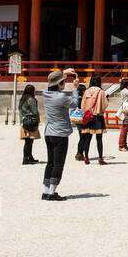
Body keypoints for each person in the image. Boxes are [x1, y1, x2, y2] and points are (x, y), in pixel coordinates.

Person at [40, 69, 78, 200]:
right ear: (59, 84)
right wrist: (75, 89)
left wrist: (63, 73)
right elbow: (74, 103)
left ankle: (45, 190)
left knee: (50, 162)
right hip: (60, 133)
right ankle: (52, 191)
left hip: (48, 131)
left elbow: (49, 85)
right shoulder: (61, 97)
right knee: (58, 163)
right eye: (63, 82)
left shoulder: (45, 93)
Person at [76, 74, 110, 164]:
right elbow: (105, 104)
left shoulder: (86, 91)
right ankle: (100, 158)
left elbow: (82, 105)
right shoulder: (101, 92)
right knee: (99, 138)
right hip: (98, 117)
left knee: (87, 138)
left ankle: (86, 157)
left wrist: (86, 111)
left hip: (88, 116)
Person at [19, 84, 40, 164]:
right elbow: (35, 111)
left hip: (24, 121)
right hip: (31, 120)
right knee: (29, 141)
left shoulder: (22, 99)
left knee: (27, 141)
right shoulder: (31, 99)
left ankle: (29, 156)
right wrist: (37, 119)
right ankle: (26, 158)